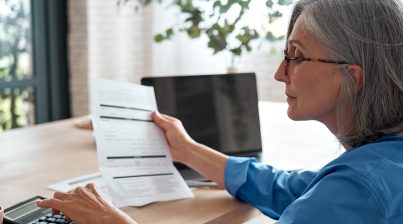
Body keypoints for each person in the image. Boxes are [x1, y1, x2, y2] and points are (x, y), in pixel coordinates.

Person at [38, 0, 403, 223]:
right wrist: (186, 149)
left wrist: (111, 222)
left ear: (351, 78)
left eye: (296, 56)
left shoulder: (359, 188)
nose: (280, 73)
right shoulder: (380, 164)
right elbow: (287, 189)